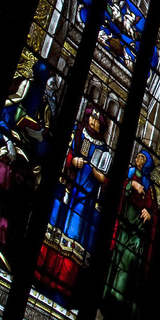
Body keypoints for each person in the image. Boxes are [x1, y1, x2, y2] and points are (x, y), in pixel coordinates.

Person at [0, 61, 57, 270]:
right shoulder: (23, 89)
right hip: (9, 154)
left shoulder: (45, 109)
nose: (54, 85)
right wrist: (8, 142)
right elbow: (3, 117)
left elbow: (45, 150)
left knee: (15, 208)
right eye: (52, 78)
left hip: (25, 164)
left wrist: (41, 137)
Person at [38, 107, 111, 300]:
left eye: (97, 120)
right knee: (53, 227)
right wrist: (72, 160)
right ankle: (39, 274)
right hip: (67, 189)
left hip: (85, 202)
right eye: (92, 118)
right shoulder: (77, 132)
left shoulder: (104, 149)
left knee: (75, 237)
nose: (94, 122)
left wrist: (101, 177)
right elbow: (62, 152)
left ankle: (62, 287)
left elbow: (108, 182)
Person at [101, 148, 157, 320]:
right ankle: (106, 314)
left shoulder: (150, 187)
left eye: (143, 158)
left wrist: (150, 215)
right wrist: (130, 185)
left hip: (137, 235)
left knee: (125, 274)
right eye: (138, 156)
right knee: (114, 268)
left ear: (147, 164)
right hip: (123, 228)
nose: (139, 159)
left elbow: (154, 212)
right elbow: (116, 189)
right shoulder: (129, 176)